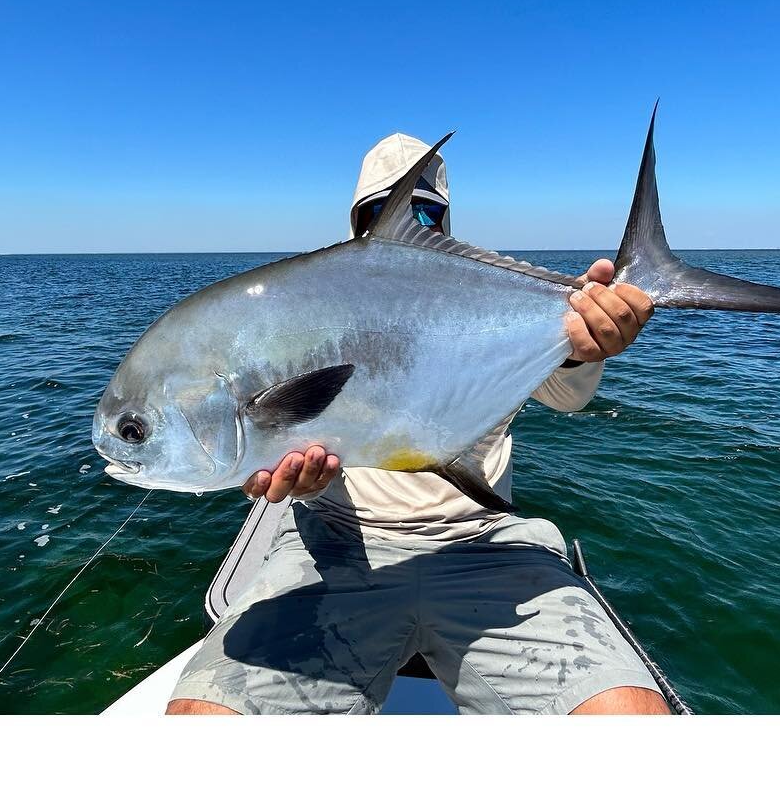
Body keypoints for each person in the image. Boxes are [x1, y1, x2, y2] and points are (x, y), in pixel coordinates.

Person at [167, 132, 666, 715]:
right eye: (383, 212)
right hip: (336, 545)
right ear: (358, 220)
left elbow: (567, 396)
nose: (410, 224)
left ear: (446, 221)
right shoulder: (302, 304)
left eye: (425, 212)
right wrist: (282, 476)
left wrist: (584, 346)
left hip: (485, 542)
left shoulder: (482, 293)